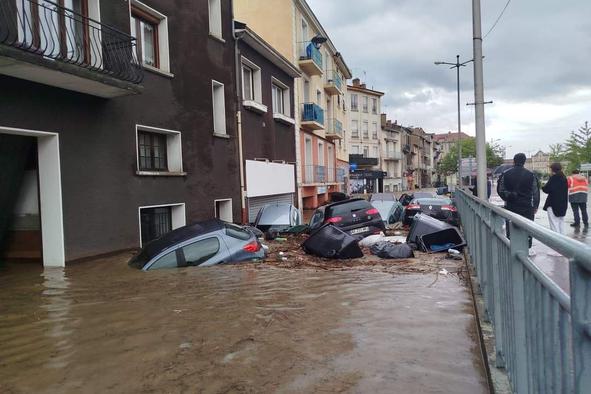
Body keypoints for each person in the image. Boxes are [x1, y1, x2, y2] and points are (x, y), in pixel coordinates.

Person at [497, 153, 540, 248]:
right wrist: (535, 206)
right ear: (524, 161)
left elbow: (500, 190)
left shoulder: (505, 174)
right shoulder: (531, 175)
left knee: (511, 228)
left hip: (511, 206)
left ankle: (511, 247)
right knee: (527, 228)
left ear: (514, 160)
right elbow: (535, 192)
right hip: (527, 206)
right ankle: (527, 249)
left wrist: (507, 198)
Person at [542, 163, 568, 234]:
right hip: (563, 204)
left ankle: (556, 242)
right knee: (561, 223)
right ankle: (563, 240)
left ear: (552, 169)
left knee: (554, 224)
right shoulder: (564, 177)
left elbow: (546, 189)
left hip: (553, 204)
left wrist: (543, 186)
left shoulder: (554, 178)